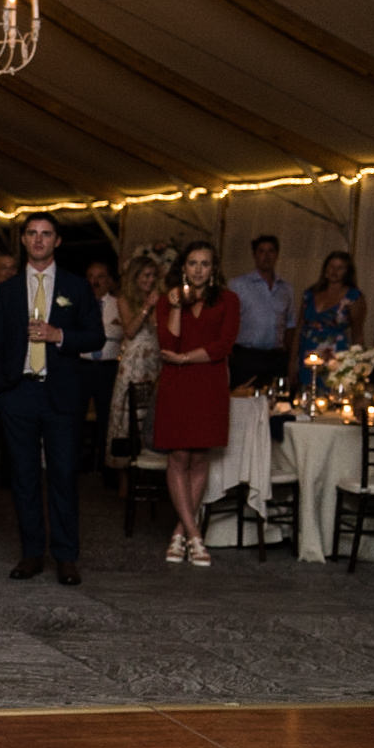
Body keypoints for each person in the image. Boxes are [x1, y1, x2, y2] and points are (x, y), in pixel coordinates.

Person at [0, 212, 104, 585]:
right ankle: (32, 553)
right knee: (23, 477)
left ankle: (66, 557)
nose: (38, 240)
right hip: (18, 393)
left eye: (46, 234)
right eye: (32, 233)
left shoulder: (76, 286)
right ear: (23, 240)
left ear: (57, 241)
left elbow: (96, 336)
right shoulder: (6, 290)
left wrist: (59, 336)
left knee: (64, 475)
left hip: (61, 394)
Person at [151, 242, 239, 567]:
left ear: (213, 268)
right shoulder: (167, 300)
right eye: (192, 263)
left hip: (210, 383)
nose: (198, 269)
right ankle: (195, 535)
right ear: (183, 267)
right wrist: (176, 307)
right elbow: (167, 344)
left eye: (205, 263)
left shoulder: (229, 300)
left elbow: (223, 345)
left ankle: (180, 532)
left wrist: (186, 358)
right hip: (176, 384)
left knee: (200, 456)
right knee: (178, 455)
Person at [106, 252, 164, 475]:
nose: (150, 280)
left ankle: (150, 462)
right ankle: (124, 469)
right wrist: (146, 307)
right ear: (135, 277)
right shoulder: (124, 300)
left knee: (150, 411)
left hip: (154, 360)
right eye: (146, 275)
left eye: (153, 275)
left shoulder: (160, 300)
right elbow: (130, 331)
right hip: (134, 362)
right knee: (130, 413)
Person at [231, 234, 295, 388]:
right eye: (261, 251)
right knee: (244, 398)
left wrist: (290, 357)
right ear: (254, 255)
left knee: (275, 398)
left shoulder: (286, 289)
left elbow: (290, 324)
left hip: (276, 357)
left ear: (277, 255)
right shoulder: (238, 285)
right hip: (247, 356)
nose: (266, 256)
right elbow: (228, 320)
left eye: (271, 251)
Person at [79, 257, 122, 475]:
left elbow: (123, 332)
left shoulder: (118, 304)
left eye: (100, 277)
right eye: (91, 277)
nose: (95, 282)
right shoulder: (79, 303)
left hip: (108, 367)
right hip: (82, 366)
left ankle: (106, 468)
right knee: (77, 416)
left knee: (106, 417)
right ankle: (79, 463)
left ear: (109, 280)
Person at [299, 251, 365, 366]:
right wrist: (292, 360)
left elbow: (357, 333)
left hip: (334, 355)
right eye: (331, 266)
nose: (334, 271)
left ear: (347, 272)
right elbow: (299, 327)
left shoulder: (353, 297)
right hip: (307, 351)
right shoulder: (310, 294)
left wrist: (356, 362)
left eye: (340, 268)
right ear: (325, 269)